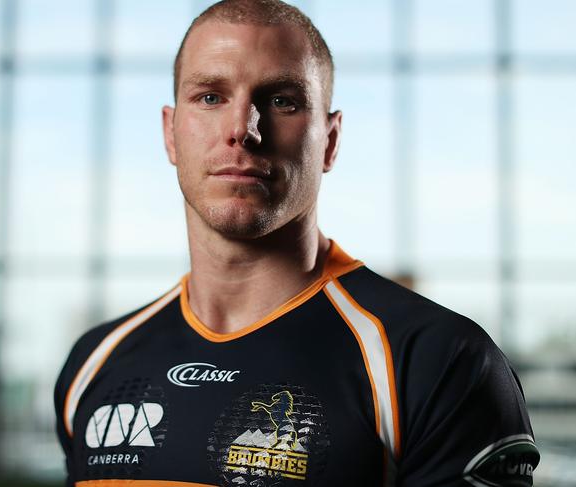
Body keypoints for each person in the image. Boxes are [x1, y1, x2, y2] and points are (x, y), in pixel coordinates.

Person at [54, 1, 540, 485]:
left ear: (329, 141)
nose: (242, 130)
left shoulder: (436, 361)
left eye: (282, 100)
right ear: (170, 134)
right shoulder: (94, 364)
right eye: (209, 97)